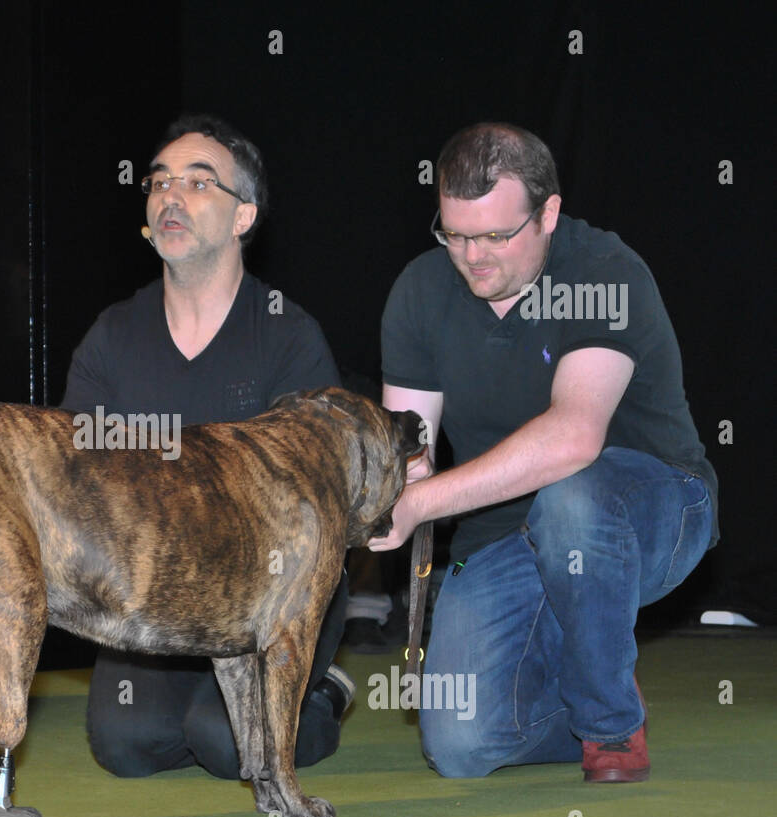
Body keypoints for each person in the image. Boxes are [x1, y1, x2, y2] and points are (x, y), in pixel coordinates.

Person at [369, 121, 718, 783]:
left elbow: (573, 438)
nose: (473, 256)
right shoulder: (419, 290)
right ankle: (593, 670)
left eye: (496, 236)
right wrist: (384, 497)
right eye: (455, 235)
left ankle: (610, 726)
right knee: (459, 746)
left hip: (651, 510)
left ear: (548, 213)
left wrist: (421, 503)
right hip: (504, 533)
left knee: (571, 499)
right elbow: (409, 451)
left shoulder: (604, 271)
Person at [62, 114, 355, 780]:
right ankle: (214, 702)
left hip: (270, 592)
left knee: (228, 745)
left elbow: (316, 506)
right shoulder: (112, 336)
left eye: (199, 183)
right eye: (159, 182)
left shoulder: (288, 336)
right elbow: (79, 482)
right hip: (157, 592)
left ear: (243, 215)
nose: (171, 196)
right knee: (127, 744)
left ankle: (319, 692)